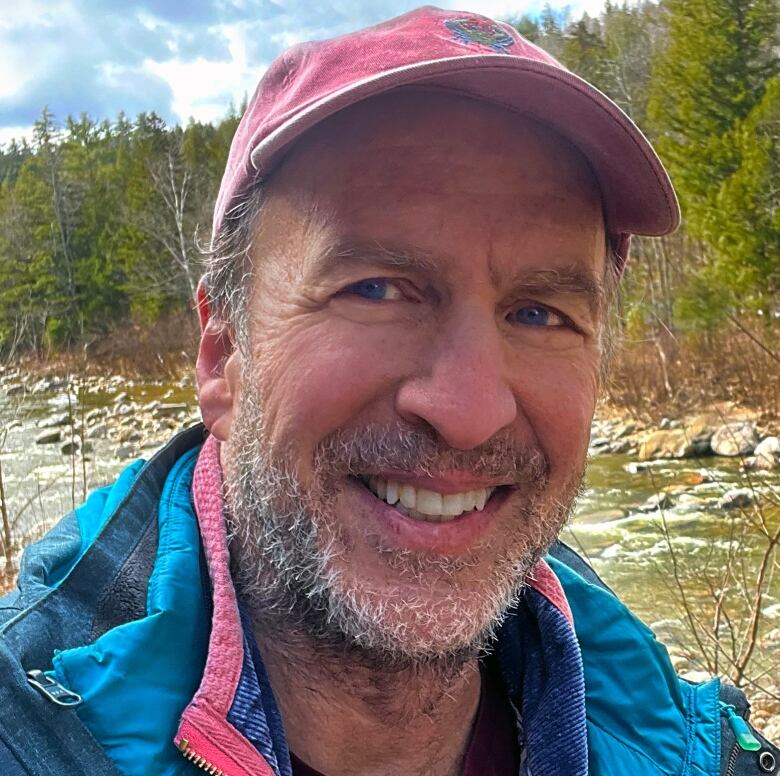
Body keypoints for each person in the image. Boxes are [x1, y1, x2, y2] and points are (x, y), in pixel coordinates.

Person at [0, 7, 777, 776]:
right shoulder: (30, 731)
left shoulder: (682, 746)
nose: (470, 412)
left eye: (540, 313)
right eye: (376, 289)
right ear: (221, 351)